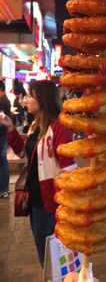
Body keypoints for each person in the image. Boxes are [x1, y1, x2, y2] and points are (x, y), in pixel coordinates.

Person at [0, 80, 75, 266]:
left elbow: (68, 169)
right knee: (46, 255)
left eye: (31, 96)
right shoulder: (35, 126)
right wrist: (10, 129)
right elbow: (24, 153)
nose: (26, 100)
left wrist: (71, 204)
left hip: (51, 202)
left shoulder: (59, 127)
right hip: (35, 200)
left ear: (42, 100)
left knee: (55, 259)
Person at [0, 80, 11, 198]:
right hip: (2, 135)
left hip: (1, 135)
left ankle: (4, 189)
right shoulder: (4, 100)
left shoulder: (3, 102)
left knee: (2, 161)